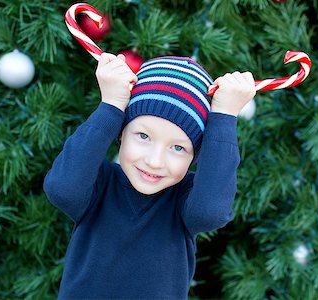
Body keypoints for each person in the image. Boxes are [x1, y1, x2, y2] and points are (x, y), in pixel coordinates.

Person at [43, 52, 256, 299]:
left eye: (178, 148)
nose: (154, 161)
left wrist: (223, 117)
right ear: (121, 132)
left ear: (194, 157)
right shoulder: (98, 185)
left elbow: (211, 211)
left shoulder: (184, 202)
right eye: (143, 136)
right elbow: (62, 188)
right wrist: (111, 106)